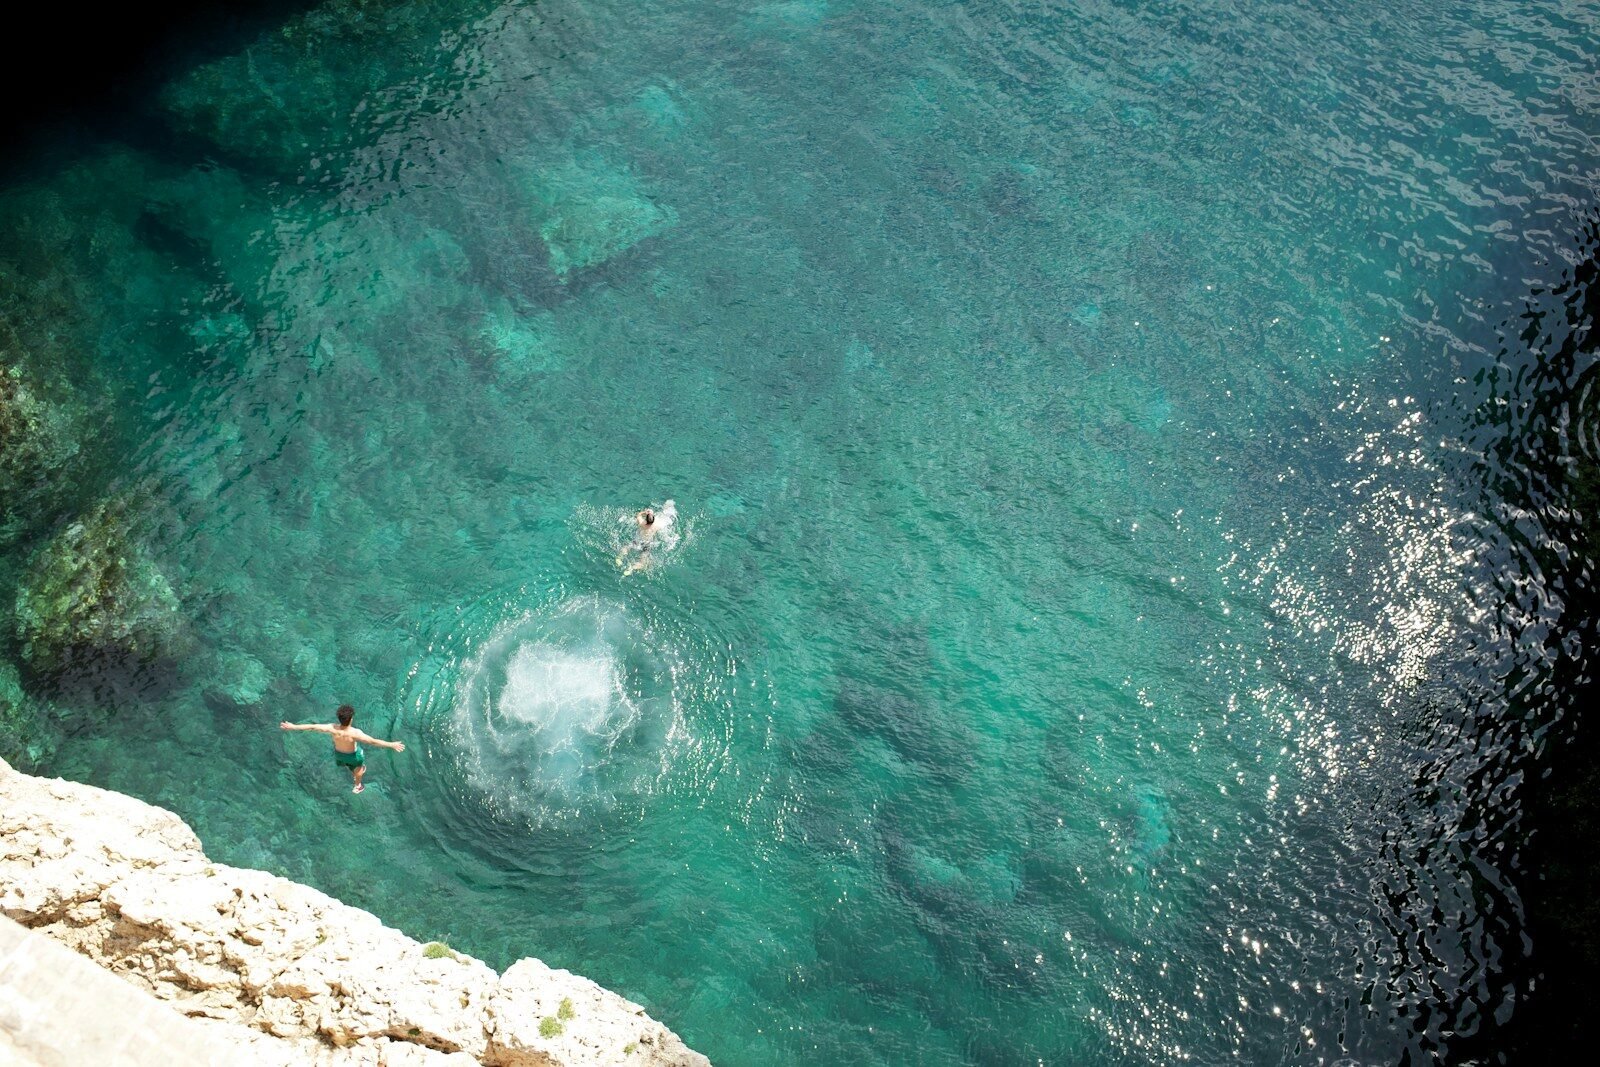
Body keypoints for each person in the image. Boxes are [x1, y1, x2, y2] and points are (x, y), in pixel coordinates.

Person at [280, 704, 404, 793]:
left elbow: (312, 727)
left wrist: (293, 727)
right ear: (351, 719)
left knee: (347, 763)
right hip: (354, 756)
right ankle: (357, 785)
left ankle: (352, 770)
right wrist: (391, 745)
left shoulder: (332, 728)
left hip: (339, 754)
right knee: (360, 768)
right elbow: (373, 742)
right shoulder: (355, 733)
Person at [617, 499, 677, 576]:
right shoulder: (657, 526)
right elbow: (664, 524)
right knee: (642, 562)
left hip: (637, 541)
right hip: (647, 545)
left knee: (626, 547)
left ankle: (619, 558)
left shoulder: (642, 523)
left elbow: (638, 515)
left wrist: (644, 512)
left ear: (646, 519)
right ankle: (632, 568)